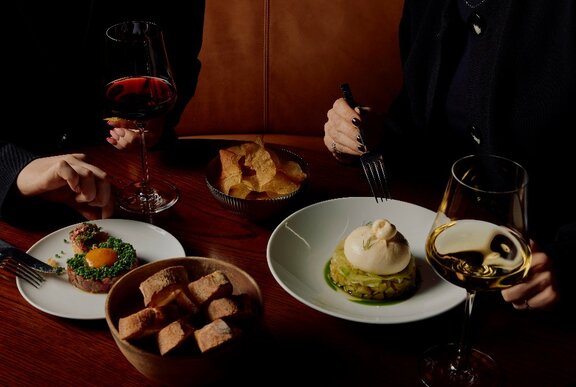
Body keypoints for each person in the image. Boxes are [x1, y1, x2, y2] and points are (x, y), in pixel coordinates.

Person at [323, 0, 575, 311]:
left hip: (534, 293)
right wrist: (369, 136)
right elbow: (420, 132)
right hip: (440, 266)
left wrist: (567, 263)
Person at [0, 1, 205, 225]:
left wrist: (161, 119)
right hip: (17, 200)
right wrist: (15, 168)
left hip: (147, 173)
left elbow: (182, 60)